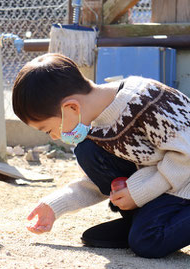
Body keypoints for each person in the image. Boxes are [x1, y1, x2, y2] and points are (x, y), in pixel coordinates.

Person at [12, 53, 190, 258]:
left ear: (71, 107)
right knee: (87, 152)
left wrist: (139, 193)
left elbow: (185, 158)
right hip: (165, 185)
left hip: (185, 182)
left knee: (147, 241)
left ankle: (147, 226)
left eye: (48, 129)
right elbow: (95, 182)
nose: (53, 136)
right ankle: (143, 222)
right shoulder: (94, 125)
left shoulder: (147, 100)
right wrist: (53, 206)